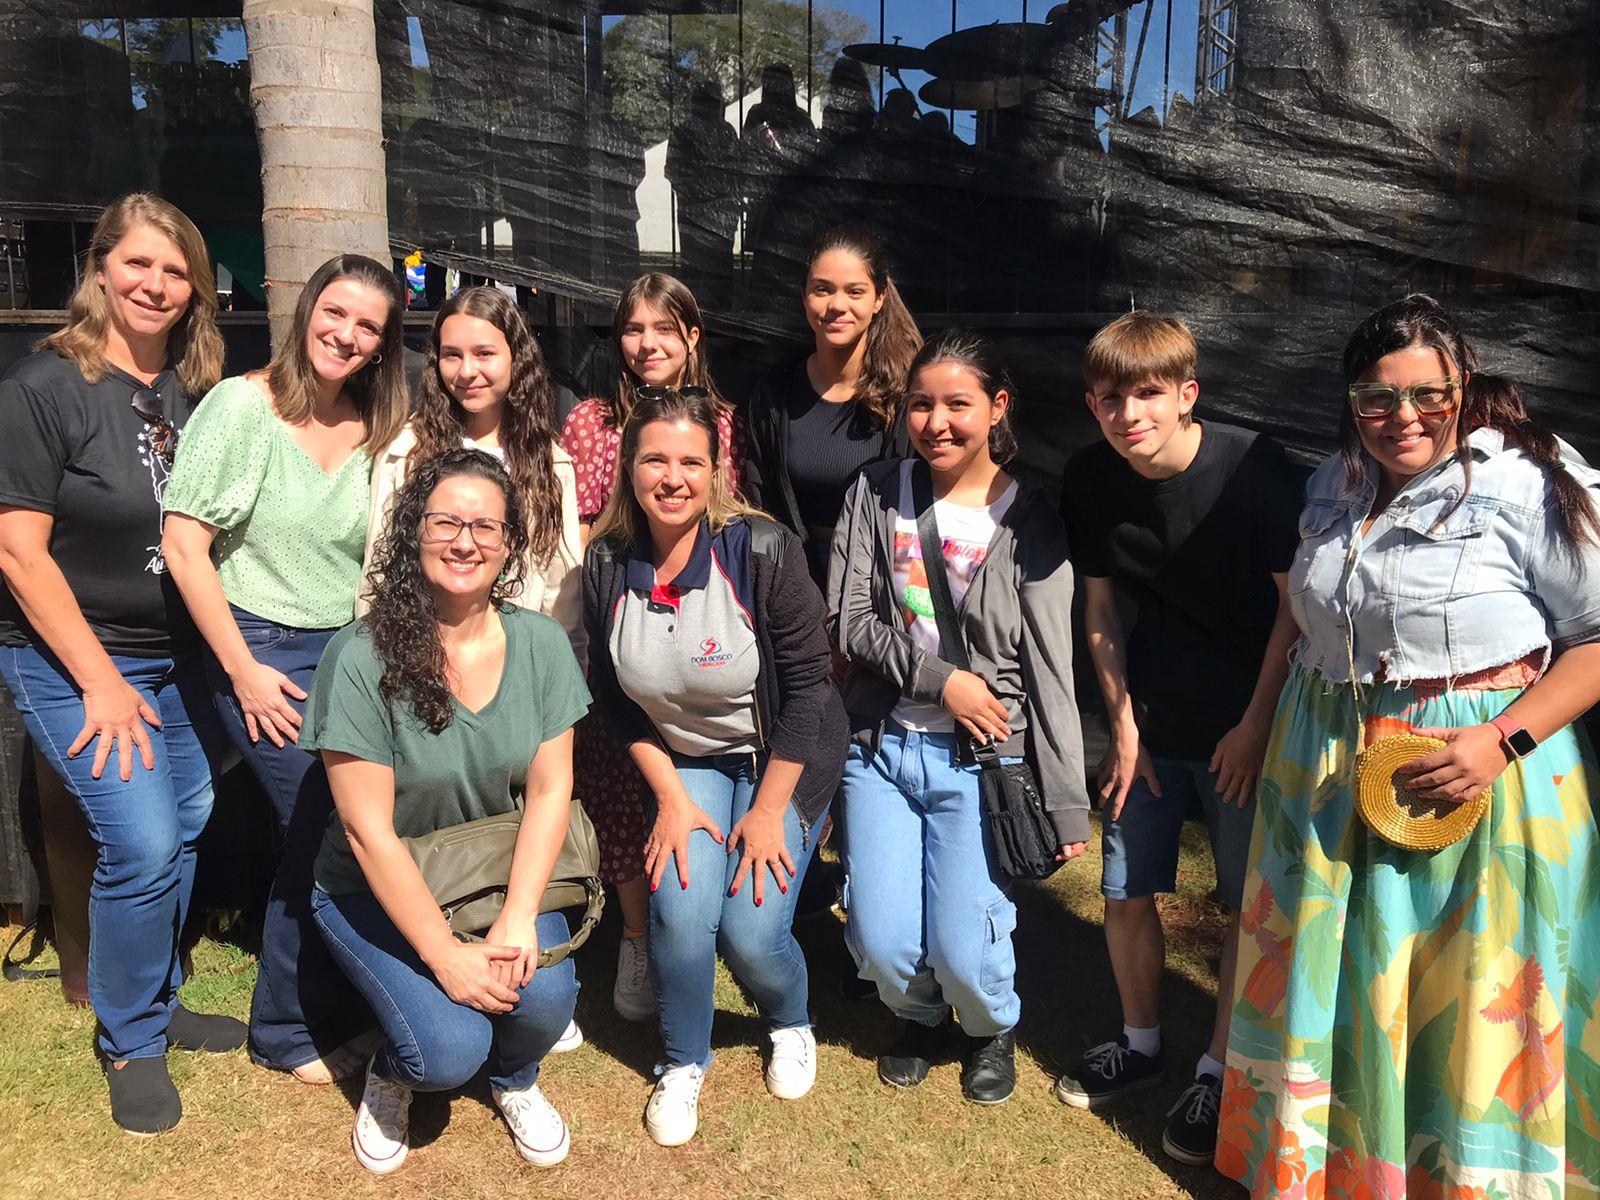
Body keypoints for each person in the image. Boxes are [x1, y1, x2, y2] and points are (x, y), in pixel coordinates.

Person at [1217, 295, 1600, 1198]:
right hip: (1325, 766)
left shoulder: (1527, 486)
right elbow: (1303, 622)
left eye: (1427, 395)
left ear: (1462, 388)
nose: (1403, 419)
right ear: (1351, 403)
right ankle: (1342, 1171)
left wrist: (1500, 742)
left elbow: (1593, 638)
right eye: (1377, 399)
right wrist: (1268, 720)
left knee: (1457, 991)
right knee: (1346, 974)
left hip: (1476, 775)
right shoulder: (1331, 484)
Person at [0, 193, 242, 1134]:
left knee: (185, 821)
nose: (155, 284)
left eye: (175, 271)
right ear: (102, 268)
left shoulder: (190, 392)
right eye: (138, 264)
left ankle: (159, 995)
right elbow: (18, 552)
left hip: (176, 661)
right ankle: (132, 1041)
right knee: (139, 842)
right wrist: (99, 678)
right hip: (74, 662)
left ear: (195, 290)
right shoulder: (43, 387)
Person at [1054, 312, 1302, 1166]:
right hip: (1149, 724)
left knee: (1244, 904)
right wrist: (1120, 727)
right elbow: (1098, 610)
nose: (1130, 413)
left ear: (1187, 394)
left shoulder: (1255, 469)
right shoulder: (1089, 477)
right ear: (1092, 404)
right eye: (1111, 398)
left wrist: (1255, 726)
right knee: (1125, 890)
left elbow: (1292, 610)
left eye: (1149, 394)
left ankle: (1216, 1070)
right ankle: (1142, 1040)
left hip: (1246, 727)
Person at [301, 449, 587, 1174]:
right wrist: (443, 957)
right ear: (412, 531)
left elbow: (552, 790)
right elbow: (367, 833)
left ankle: (515, 1078)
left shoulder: (542, 644)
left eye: (486, 527)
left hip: (492, 872)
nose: (466, 542)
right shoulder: (359, 657)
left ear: (511, 544)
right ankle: (392, 1074)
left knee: (546, 1006)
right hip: (374, 886)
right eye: (447, 523)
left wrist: (521, 914)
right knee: (445, 1051)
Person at [160, 254, 410, 1083]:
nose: (346, 334)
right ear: (307, 311)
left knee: (348, 828)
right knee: (321, 828)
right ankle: (284, 1032)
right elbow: (185, 546)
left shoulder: (376, 429)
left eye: (368, 325)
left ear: (382, 345)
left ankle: (337, 1009)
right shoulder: (243, 407)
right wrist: (241, 670)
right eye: (335, 313)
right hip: (261, 649)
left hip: (346, 652)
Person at [827, 329, 1089, 1105]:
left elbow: (1049, 665)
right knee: (879, 939)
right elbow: (850, 621)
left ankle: (988, 1026)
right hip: (882, 749)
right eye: (920, 405)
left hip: (982, 763)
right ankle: (920, 1015)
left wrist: (1068, 796)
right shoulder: (875, 495)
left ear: (997, 407)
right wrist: (944, 681)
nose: (937, 422)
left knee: (967, 951)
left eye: (958, 405)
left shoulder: (1029, 516)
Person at [582, 388, 846, 1147]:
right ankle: (682, 1062)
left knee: (754, 932)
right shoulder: (605, 565)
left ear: (715, 470)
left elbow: (808, 690)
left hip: (782, 759)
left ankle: (791, 1021)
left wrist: (768, 813)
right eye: (654, 459)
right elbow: (617, 700)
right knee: (681, 915)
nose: (672, 476)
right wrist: (664, 790)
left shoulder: (761, 550)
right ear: (630, 467)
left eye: (690, 461)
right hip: (687, 760)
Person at [560, 273, 748, 1025]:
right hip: (617, 623)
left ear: (692, 337)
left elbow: (734, 525)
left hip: (701, 634)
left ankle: (712, 921)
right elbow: (578, 531)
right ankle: (636, 938)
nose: (646, 345)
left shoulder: (724, 423)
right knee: (611, 775)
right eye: (633, 330)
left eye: (663, 330)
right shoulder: (590, 422)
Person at [744, 226, 923, 587]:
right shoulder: (776, 393)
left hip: (884, 579)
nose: (836, 305)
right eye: (822, 289)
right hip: (796, 577)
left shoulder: (905, 395)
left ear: (879, 299)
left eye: (854, 291)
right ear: (805, 296)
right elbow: (760, 495)